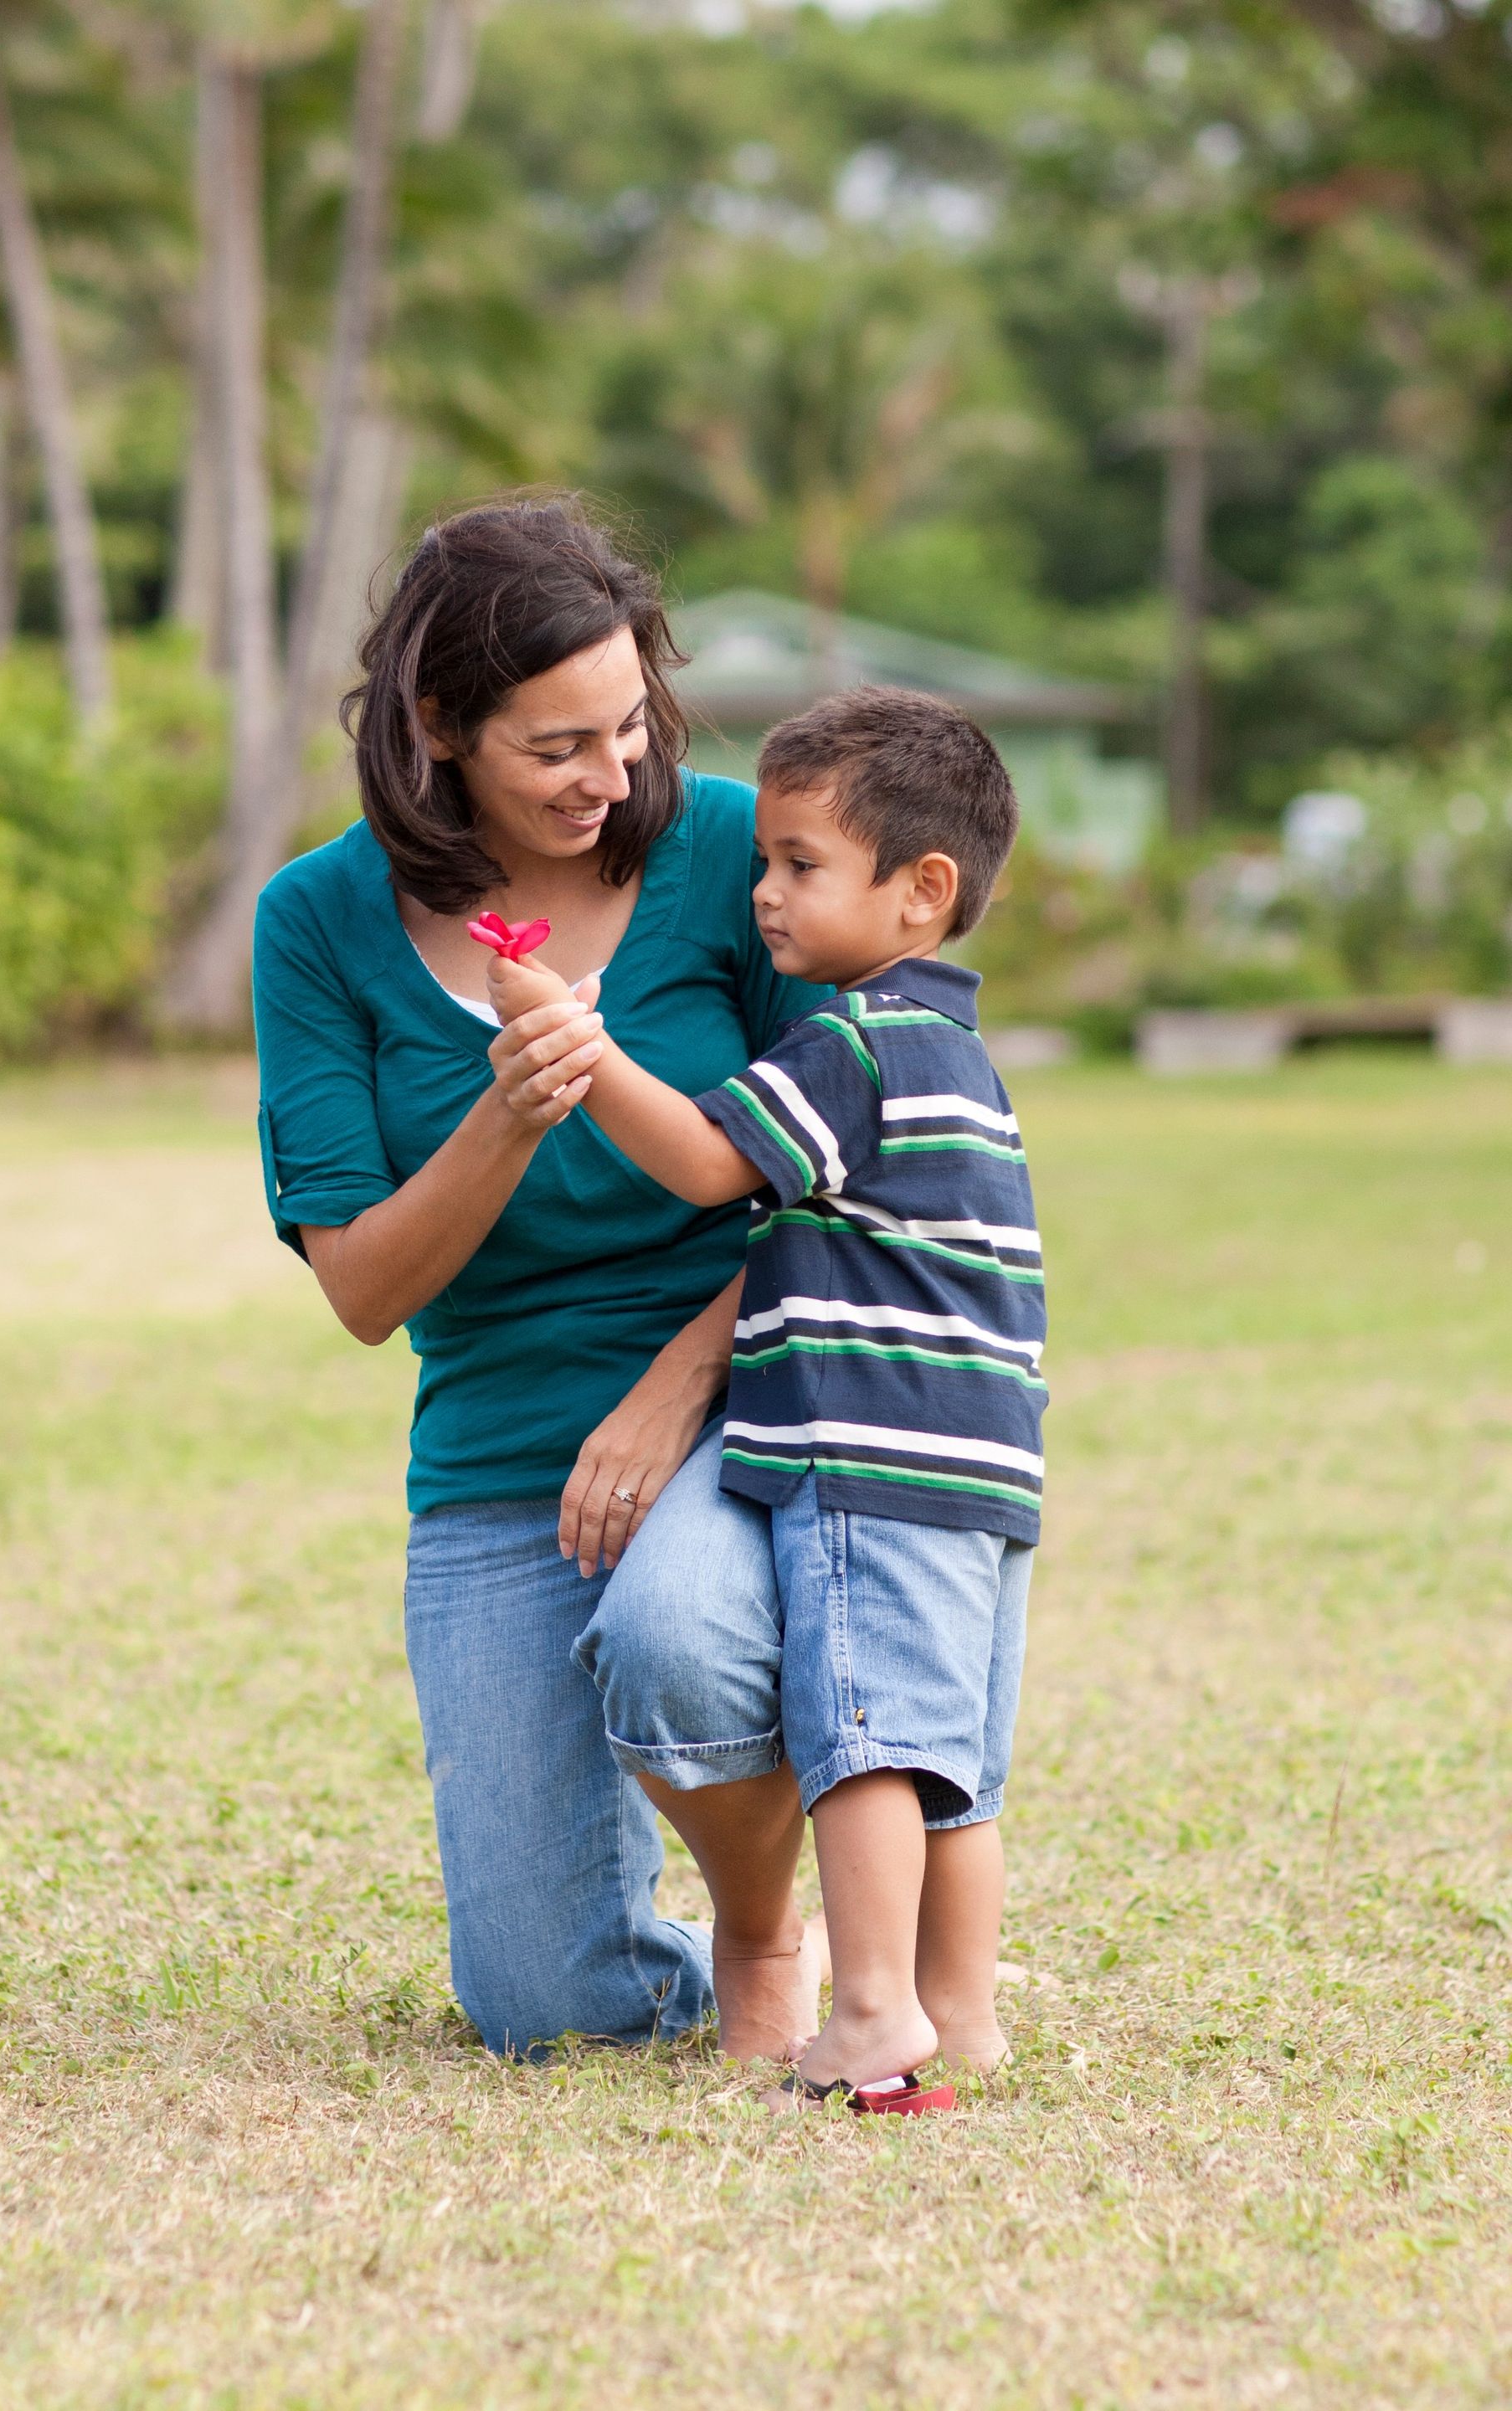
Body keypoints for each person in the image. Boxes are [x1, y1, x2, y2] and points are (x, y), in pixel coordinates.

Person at [252, 496, 830, 2060]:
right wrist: (511, 1109)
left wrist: (672, 1390)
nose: (614, 774)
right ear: (440, 728)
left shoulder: (733, 855)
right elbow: (365, 1289)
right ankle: (665, 1955)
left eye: (631, 725)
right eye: (559, 745)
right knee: (546, 2012)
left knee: (677, 1638)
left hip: (739, 1402)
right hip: (502, 1451)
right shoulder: (317, 921)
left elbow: (849, 1173)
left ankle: (768, 1935)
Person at [485, 686, 1047, 2108]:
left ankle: (868, 2014)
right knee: (950, 1763)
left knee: (860, 1740)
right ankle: (960, 2018)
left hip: (864, 1456)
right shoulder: (962, 1054)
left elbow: (702, 1164)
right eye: (767, 863)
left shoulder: (853, 1047)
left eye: (802, 864)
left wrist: (577, 1046)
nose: (768, 893)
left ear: (924, 893)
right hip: (980, 1469)